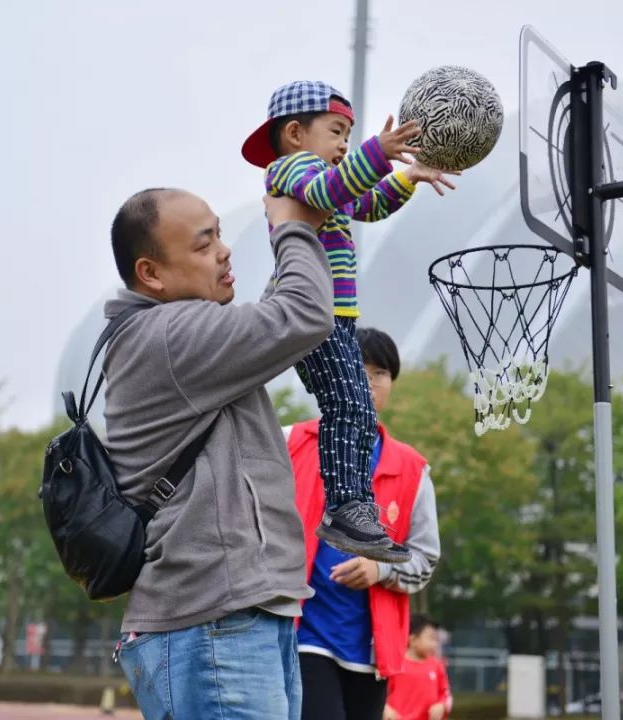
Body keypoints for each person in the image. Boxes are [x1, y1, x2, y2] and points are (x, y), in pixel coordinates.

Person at [105, 189, 334, 720]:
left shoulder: (172, 334)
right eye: (205, 244)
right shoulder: (171, 334)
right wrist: (290, 226)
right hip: (215, 623)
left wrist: (310, 227)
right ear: (152, 273)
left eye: (220, 235)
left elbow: (278, 319)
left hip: (229, 617)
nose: (226, 252)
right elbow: (302, 315)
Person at [243, 81, 457, 562]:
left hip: (333, 317)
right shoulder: (294, 169)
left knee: (356, 406)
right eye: (337, 131)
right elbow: (330, 188)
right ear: (295, 133)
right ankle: (345, 506)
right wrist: (377, 153)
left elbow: (368, 203)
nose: (345, 144)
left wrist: (408, 177)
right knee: (350, 407)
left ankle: (354, 505)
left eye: (350, 135)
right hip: (314, 315)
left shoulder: (329, 178)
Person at [288, 326, 442, 720]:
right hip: (301, 635)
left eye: (380, 373)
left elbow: (425, 559)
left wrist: (379, 569)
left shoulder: (413, 469)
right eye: (358, 368)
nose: (369, 381)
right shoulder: (291, 442)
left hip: (374, 651)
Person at [383, 614, 452, 720]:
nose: (435, 644)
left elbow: (446, 694)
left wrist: (442, 705)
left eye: (436, 639)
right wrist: (385, 708)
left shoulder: (437, 666)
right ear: (413, 640)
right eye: (431, 638)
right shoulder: (394, 665)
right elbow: (381, 694)